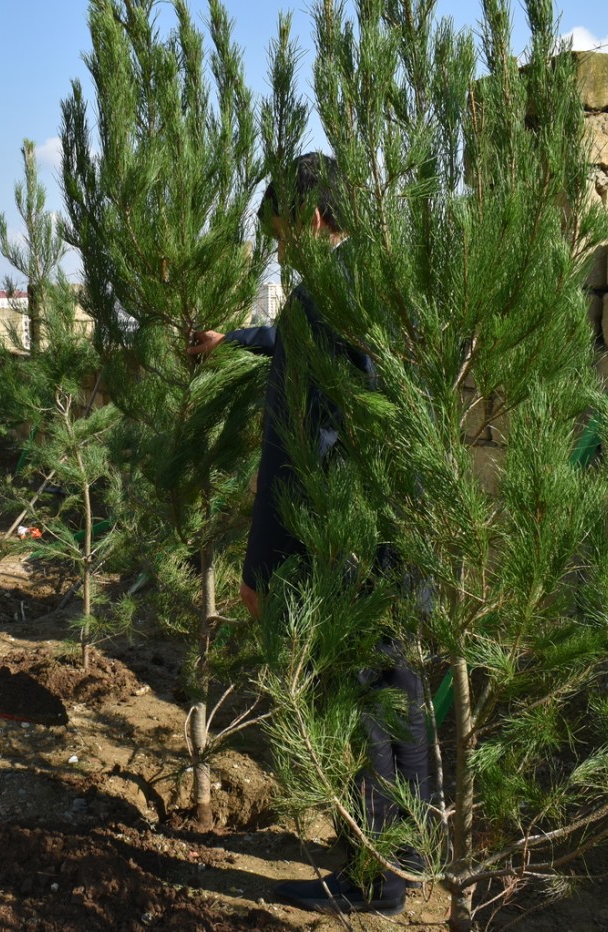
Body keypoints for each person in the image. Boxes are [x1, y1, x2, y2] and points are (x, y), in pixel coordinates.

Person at [188, 153, 428, 916]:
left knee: (365, 702)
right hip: (399, 523)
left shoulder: (330, 290)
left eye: (282, 229)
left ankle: (373, 882)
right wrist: (238, 340)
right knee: (403, 693)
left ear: (312, 217)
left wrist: (262, 563)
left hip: (347, 537)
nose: (279, 246)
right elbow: (301, 343)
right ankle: (411, 856)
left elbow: (299, 446)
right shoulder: (375, 278)